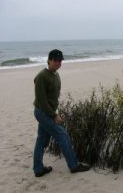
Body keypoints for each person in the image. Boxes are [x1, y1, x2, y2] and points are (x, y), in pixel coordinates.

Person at [33, 49, 90, 177]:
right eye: (56, 61)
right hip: (43, 113)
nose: (59, 63)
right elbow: (42, 101)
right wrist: (54, 115)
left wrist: (53, 111)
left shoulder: (55, 74)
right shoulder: (42, 76)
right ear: (49, 60)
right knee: (63, 136)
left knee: (41, 140)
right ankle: (74, 165)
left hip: (47, 112)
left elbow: (51, 97)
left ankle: (38, 169)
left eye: (60, 61)